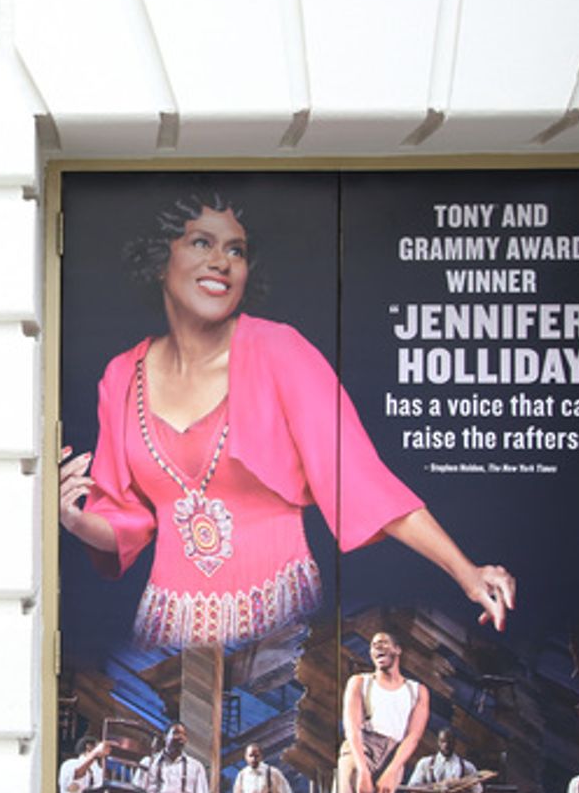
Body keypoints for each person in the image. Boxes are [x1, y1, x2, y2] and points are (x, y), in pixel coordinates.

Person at [58, 192, 516, 649]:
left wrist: (465, 571)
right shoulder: (121, 376)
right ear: (160, 260)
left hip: (278, 623)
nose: (222, 261)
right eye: (201, 243)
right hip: (168, 630)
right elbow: (123, 520)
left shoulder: (280, 350)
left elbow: (361, 479)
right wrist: (73, 520)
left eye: (235, 250)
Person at [288, 632, 430, 793]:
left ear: (398, 649)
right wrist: (363, 771)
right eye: (373, 646)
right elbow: (352, 728)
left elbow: (413, 736)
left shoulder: (417, 690)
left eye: (383, 643)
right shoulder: (360, 683)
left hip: (394, 756)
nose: (377, 648)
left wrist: (392, 771)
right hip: (360, 749)